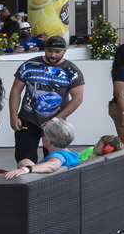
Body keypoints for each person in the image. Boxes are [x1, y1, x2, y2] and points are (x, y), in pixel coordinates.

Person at [7, 35, 85, 169]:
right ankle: (28, 180)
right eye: (49, 51)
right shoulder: (29, 65)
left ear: (65, 51)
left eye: (57, 52)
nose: (53, 55)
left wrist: (55, 119)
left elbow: (78, 99)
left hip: (54, 122)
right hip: (28, 118)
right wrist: (13, 116)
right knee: (24, 157)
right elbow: (16, 91)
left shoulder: (72, 71)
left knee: (54, 159)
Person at [4, 122, 124, 175]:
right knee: (24, 160)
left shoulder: (58, 157)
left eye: (44, 135)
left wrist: (26, 169)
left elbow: (53, 165)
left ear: (50, 142)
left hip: (35, 187)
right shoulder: (71, 155)